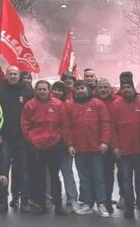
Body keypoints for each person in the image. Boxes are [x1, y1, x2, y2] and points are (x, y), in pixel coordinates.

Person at [20, 80, 67, 216]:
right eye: (39, 89)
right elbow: (25, 124)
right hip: (36, 145)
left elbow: (64, 124)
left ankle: (58, 205)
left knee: (54, 176)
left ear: (49, 90)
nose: (42, 92)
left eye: (44, 89)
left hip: (54, 144)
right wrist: (31, 140)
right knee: (38, 176)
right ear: (36, 90)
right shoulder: (30, 105)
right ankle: (41, 204)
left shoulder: (58, 105)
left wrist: (58, 139)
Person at [66, 80, 111, 217]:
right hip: (79, 149)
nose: (80, 91)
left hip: (96, 148)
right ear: (75, 90)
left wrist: (104, 141)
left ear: (87, 89)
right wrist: (69, 144)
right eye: (78, 88)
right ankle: (87, 203)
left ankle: (101, 204)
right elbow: (67, 127)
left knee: (98, 177)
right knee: (84, 178)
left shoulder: (97, 104)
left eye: (82, 88)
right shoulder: (70, 106)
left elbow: (105, 124)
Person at [110, 79, 140, 219]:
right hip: (123, 151)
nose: (126, 89)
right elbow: (112, 128)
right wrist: (114, 146)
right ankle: (129, 207)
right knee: (126, 181)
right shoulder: (115, 105)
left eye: (129, 87)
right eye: (124, 87)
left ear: (133, 89)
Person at [0, 65, 33, 211]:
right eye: (10, 73)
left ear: (19, 76)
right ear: (6, 75)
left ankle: (23, 200)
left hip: (22, 139)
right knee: (4, 171)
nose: (12, 76)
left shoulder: (27, 91)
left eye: (15, 74)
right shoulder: (0, 91)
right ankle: (3, 201)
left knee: (23, 170)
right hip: (5, 138)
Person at [50, 81, 80, 211]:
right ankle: (48, 197)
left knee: (67, 172)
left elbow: (69, 126)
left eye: (59, 90)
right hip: (49, 144)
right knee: (49, 173)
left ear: (64, 92)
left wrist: (70, 143)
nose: (56, 92)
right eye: (54, 89)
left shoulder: (68, 105)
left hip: (63, 144)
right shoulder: (47, 104)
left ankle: (72, 197)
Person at [95, 78, 118, 214]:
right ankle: (100, 200)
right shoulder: (92, 101)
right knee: (98, 175)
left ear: (110, 88)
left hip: (113, 144)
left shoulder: (116, 101)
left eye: (105, 87)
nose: (103, 90)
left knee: (110, 174)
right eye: (101, 87)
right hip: (97, 143)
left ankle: (108, 200)